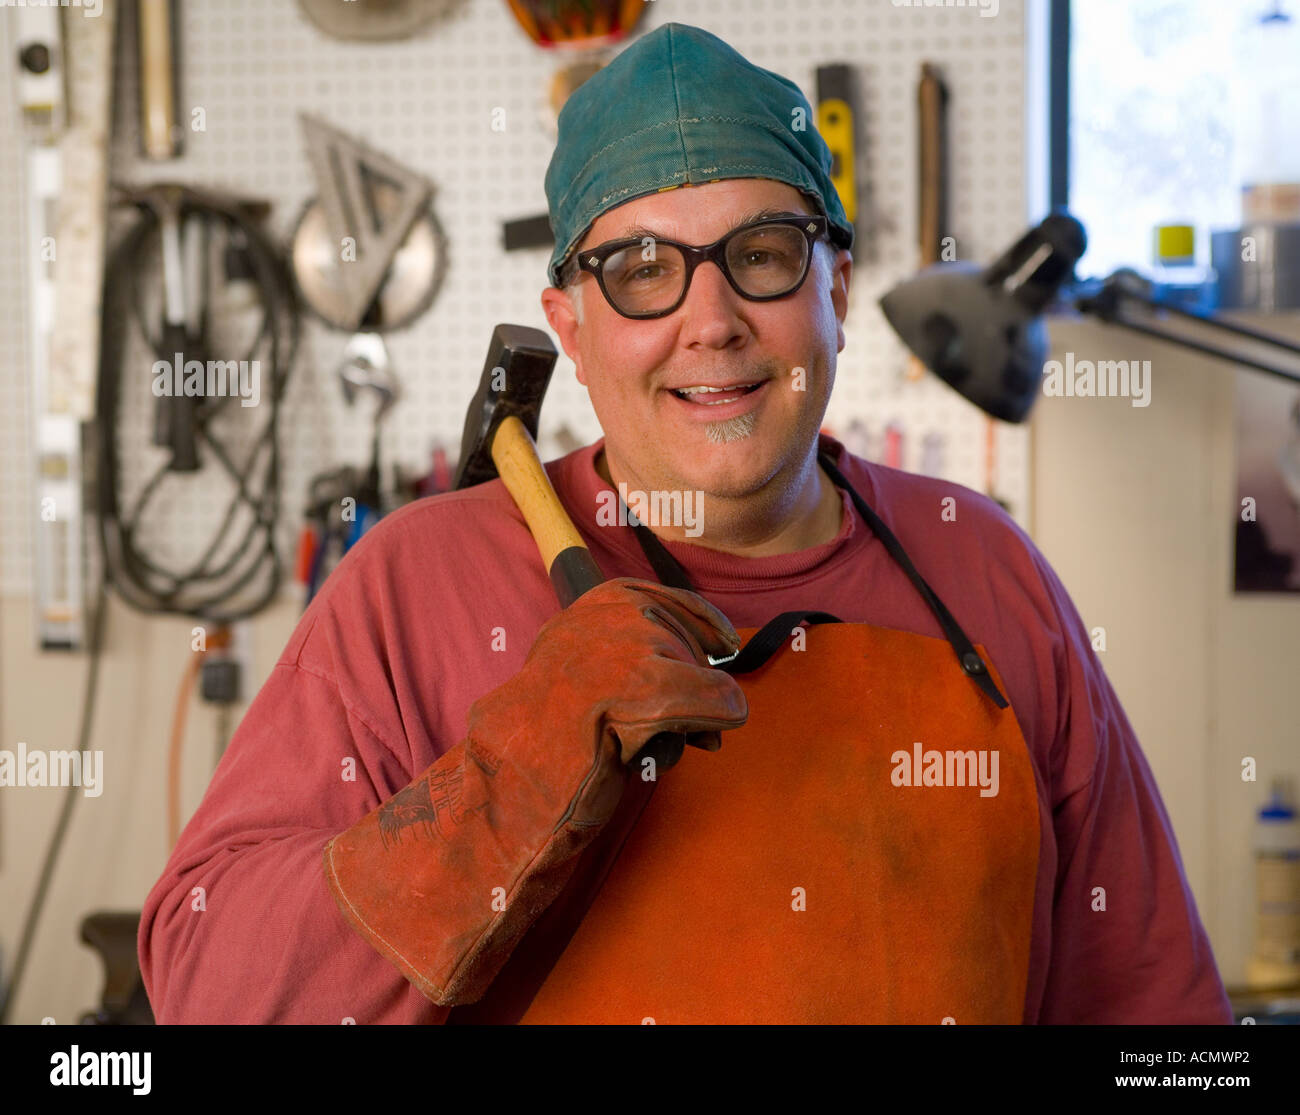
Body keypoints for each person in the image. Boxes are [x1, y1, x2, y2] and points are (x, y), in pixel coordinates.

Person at [138, 22, 1232, 1024]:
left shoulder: (983, 568)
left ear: (836, 290)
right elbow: (206, 984)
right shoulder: (420, 586)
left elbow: (1150, 1010)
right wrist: (501, 788)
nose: (710, 323)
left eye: (759, 254)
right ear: (570, 327)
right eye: (641, 268)